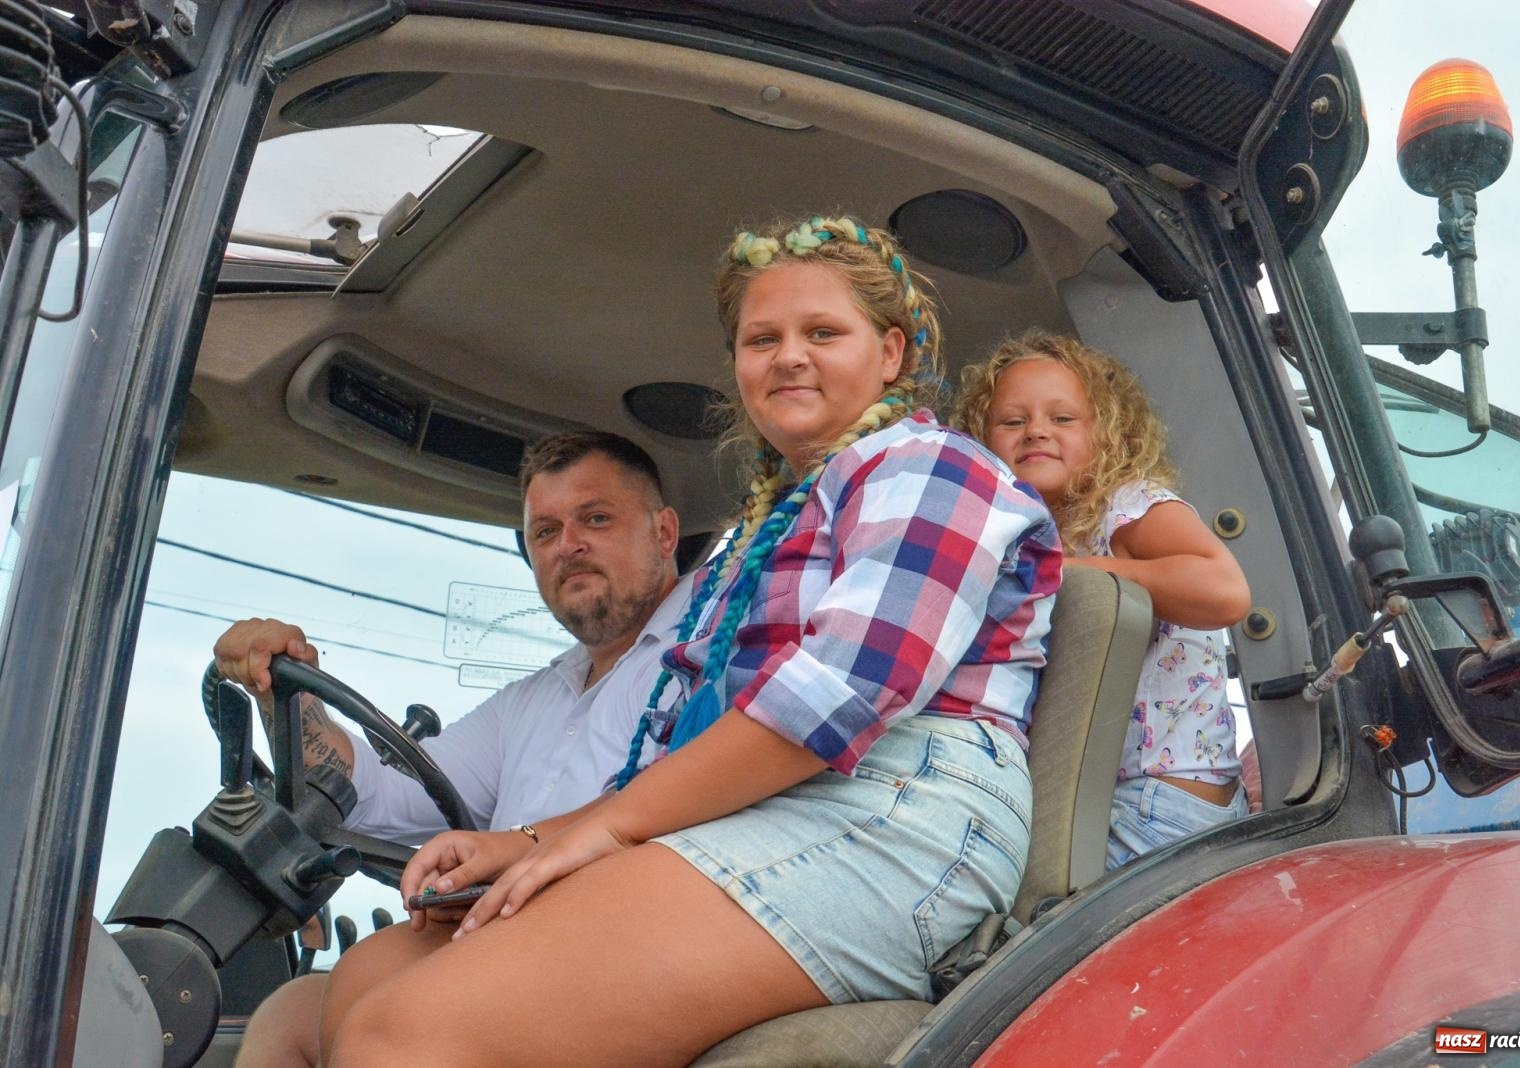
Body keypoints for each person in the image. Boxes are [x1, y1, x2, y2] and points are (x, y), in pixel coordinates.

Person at [315, 215, 1062, 1066]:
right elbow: (687, 736)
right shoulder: (769, 523)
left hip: (901, 813)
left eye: (823, 332)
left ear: (890, 353)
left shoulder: (933, 469)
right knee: (370, 977)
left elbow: (831, 699)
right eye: (761, 338)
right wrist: (532, 840)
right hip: (772, 806)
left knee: (405, 1033)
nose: (788, 356)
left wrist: (600, 831)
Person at [214, 430, 690, 1068]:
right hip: (502, 942)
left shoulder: (713, 650)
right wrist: (287, 689)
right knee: (293, 1012)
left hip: (626, 946)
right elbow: (383, 795)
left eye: (596, 519)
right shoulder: (534, 698)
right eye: (544, 533)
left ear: (664, 533)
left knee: (395, 1031)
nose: (568, 545)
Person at [953, 330, 1251, 870]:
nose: (1036, 431)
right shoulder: (1019, 538)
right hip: (1097, 797)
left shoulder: (1125, 506)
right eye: (1012, 421)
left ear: (1109, 435)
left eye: (1062, 419)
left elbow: (1224, 590)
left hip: (1161, 800)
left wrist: (1076, 570)